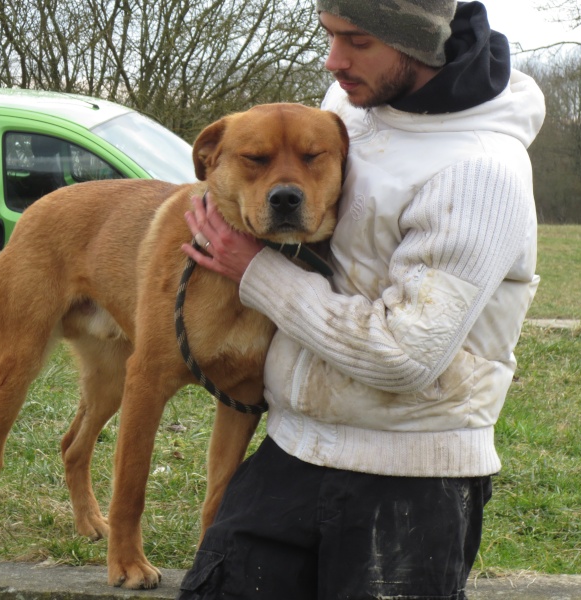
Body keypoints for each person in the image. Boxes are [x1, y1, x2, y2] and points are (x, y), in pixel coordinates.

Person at [177, 1, 545, 598]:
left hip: (409, 480)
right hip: (293, 447)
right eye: (330, 36)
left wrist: (254, 270)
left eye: (358, 41)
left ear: (419, 43)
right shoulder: (354, 104)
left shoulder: (482, 171)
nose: (334, 61)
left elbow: (404, 356)